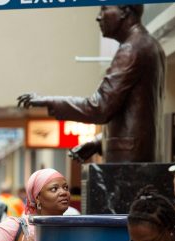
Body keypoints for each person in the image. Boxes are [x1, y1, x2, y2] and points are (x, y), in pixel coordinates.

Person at [18, 5, 165, 163]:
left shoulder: (131, 49)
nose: (98, 17)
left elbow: (99, 106)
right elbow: (135, 117)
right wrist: (98, 143)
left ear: (124, 11)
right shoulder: (151, 45)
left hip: (129, 165)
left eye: (104, 9)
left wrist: (49, 101)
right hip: (139, 159)